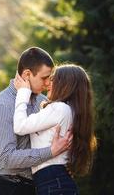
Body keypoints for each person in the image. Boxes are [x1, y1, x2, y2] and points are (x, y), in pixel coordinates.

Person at [0, 47, 72, 195]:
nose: (48, 84)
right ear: (27, 74)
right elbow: (7, 159)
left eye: (50, 79)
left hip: (40, 186)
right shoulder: (1, 106)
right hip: (10, 188)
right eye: (44, 78)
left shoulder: (43, 102)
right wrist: (51, 152)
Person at [13, 63, 97, 195]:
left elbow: (20, 126)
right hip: (57, 181)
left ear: (66, 85)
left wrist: (23, 92)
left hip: (53, 182)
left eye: (53, 80)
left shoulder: (59, 108)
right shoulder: (72, 111)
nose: (48, 84)